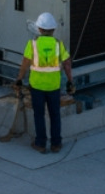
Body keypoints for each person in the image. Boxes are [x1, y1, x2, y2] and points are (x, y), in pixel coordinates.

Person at [14, 12, 75, 154]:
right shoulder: (58, 44)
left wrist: (19, 79)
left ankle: (40, 144)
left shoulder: (33, 44)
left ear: (39, 29)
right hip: (54, 86)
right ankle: (56, 144)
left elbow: (25, 63)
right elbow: (66, 63)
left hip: (37, 87)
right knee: (55, 115)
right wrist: (70, 81)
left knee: (39, 115)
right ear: (53, 30)